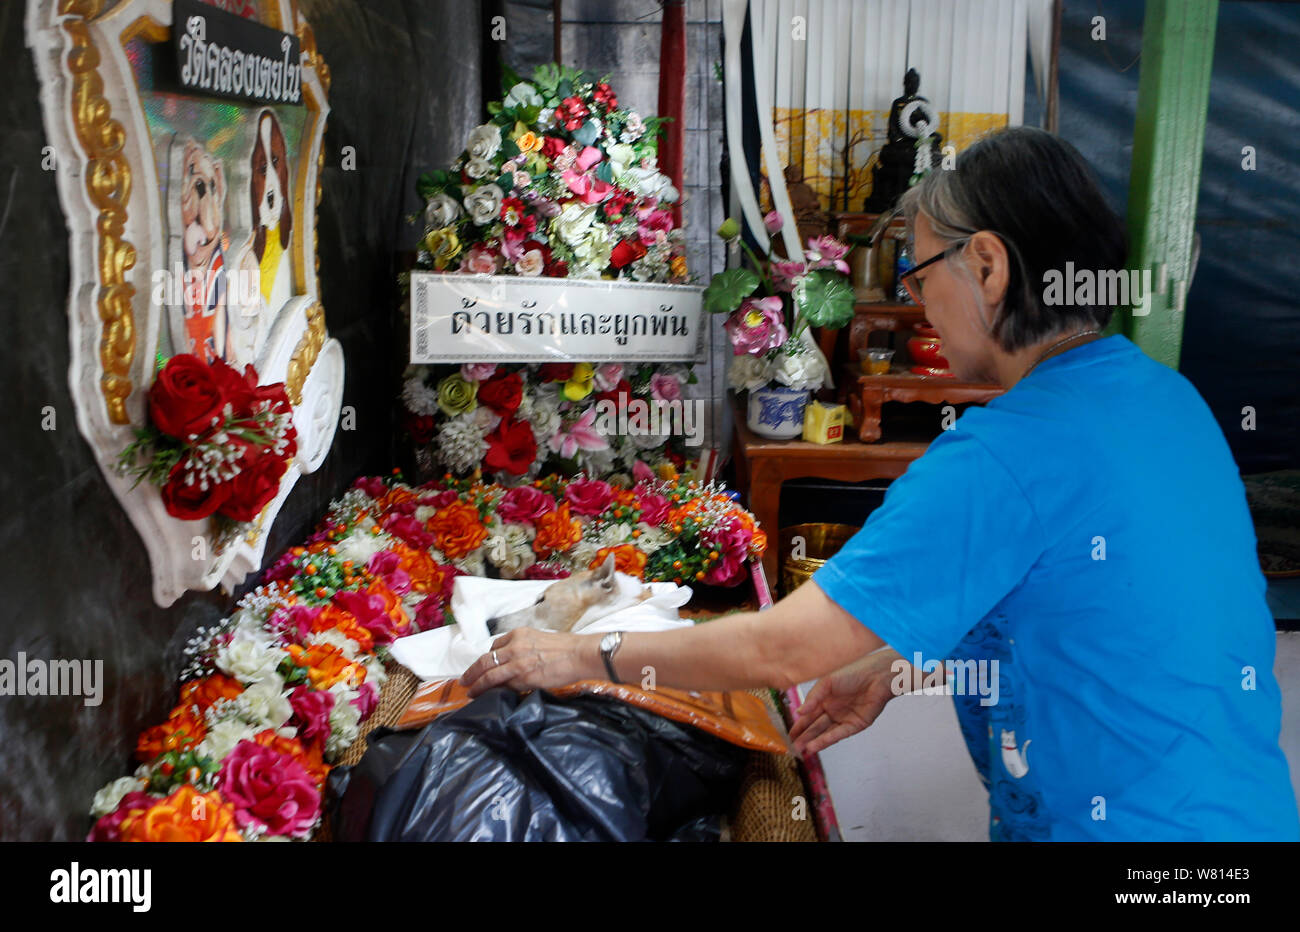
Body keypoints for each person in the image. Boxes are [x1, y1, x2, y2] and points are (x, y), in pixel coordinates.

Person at [460, 127, 1299, 842]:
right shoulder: (1168, 399)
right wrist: (889, 663)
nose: (917, 297)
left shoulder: (1004, 452)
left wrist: (577, 655)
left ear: (989, 265)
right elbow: (1081, 606)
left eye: (919, 268)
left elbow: (780, 647)